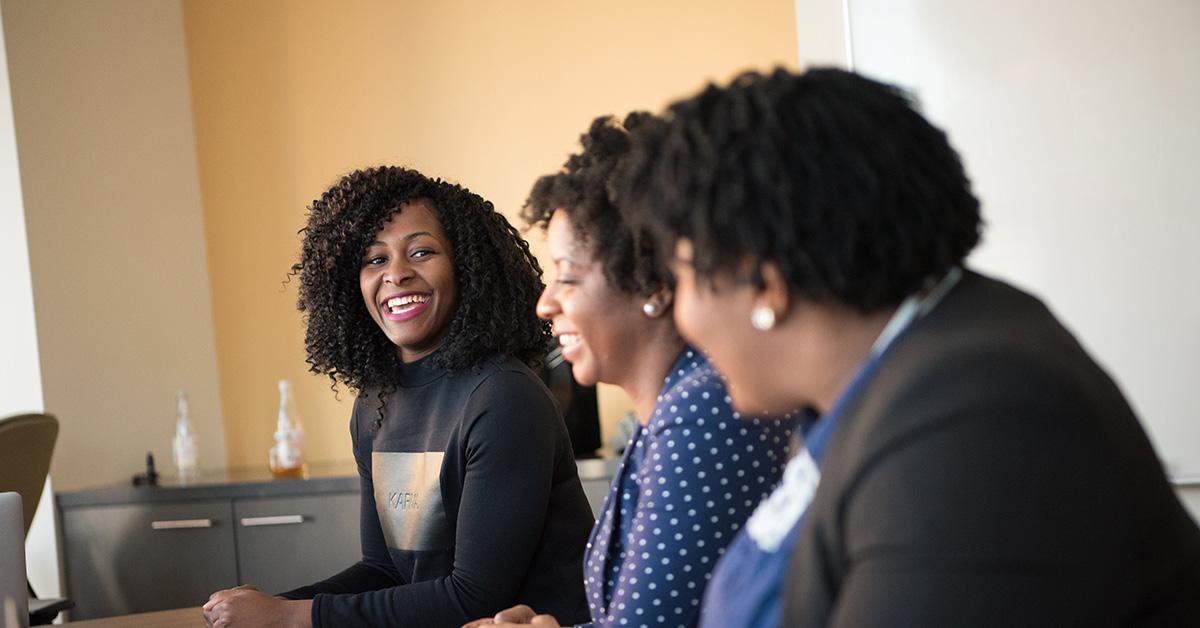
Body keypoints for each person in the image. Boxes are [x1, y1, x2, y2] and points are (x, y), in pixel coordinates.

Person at [618, 68, 1200, 627]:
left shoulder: (975, 413)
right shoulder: (906, 369)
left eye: (684, 278)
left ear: (765, 283)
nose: (683, 315)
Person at [203, 167, 595, 628]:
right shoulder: (375, 403)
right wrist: (269, 606)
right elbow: (385, 571)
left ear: (465, 266)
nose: (397, 274)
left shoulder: (503, 396)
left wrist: (289, 616)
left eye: (422, 252)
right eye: (374, 259)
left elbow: (475, 596)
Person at [463, 115, 795, 628]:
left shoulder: (701, 409)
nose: (545, 303)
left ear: (652, 284)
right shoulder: (672, 406)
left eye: (567, 277)